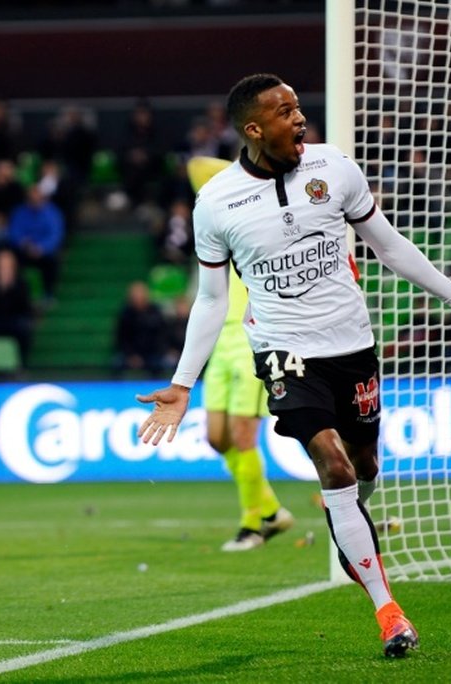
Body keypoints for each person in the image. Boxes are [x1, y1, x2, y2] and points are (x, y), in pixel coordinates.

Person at [135, 74, 451, 659]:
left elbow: (386, 243)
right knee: (334, 465)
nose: (299, 120)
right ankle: (388, 611)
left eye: (298, 109)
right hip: (284, 353)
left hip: (352, 346)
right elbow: (213, 299)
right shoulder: (215, 203)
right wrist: (182, 383)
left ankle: (352, 516)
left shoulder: (334, 167)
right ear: (253, 129)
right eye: (285, 112)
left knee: (364, 461)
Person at [186, 156, 294, 552]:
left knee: (244, 436)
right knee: (217, 439)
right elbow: (197, 165)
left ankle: (253, 524)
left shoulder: (264, 229)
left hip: (251, 341)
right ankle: (270, 510)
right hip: (219, 344)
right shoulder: (218, 219)